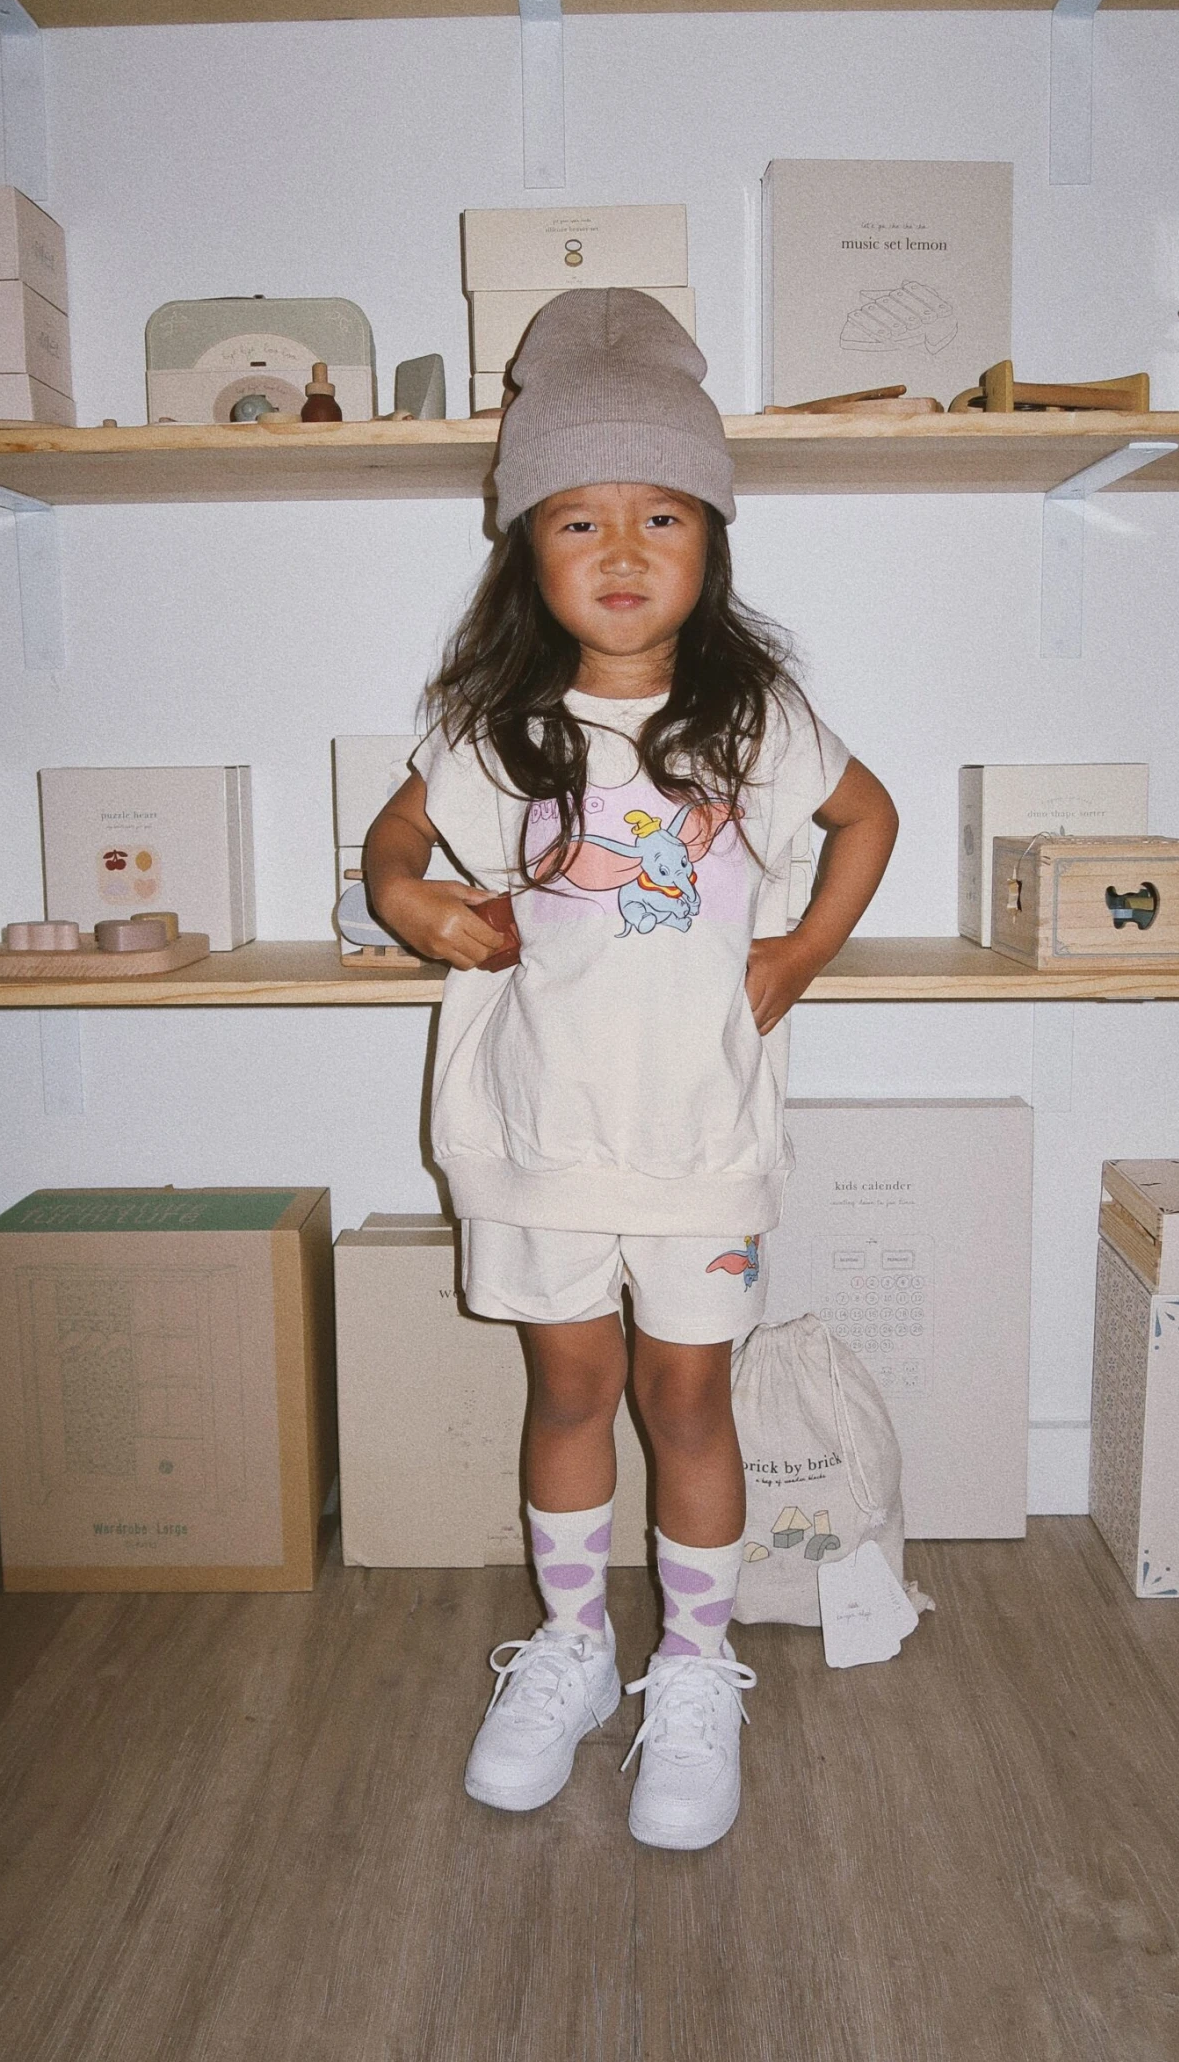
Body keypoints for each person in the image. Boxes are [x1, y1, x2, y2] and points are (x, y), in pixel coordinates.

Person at [365, 290, 898, 1851]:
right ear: (525, 547)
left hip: (698, 1139)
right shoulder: (499, 723)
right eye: (577, 518)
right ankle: (576, 1646)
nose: (620, 550)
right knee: (571, 1384)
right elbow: (398, 838)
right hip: (537, 1134)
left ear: (710, 540)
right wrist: (410, 900)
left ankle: (698, 1661)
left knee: (687, 1393)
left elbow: (868, 816)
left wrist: (799, 954)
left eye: (660, 515)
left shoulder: (753, 717)